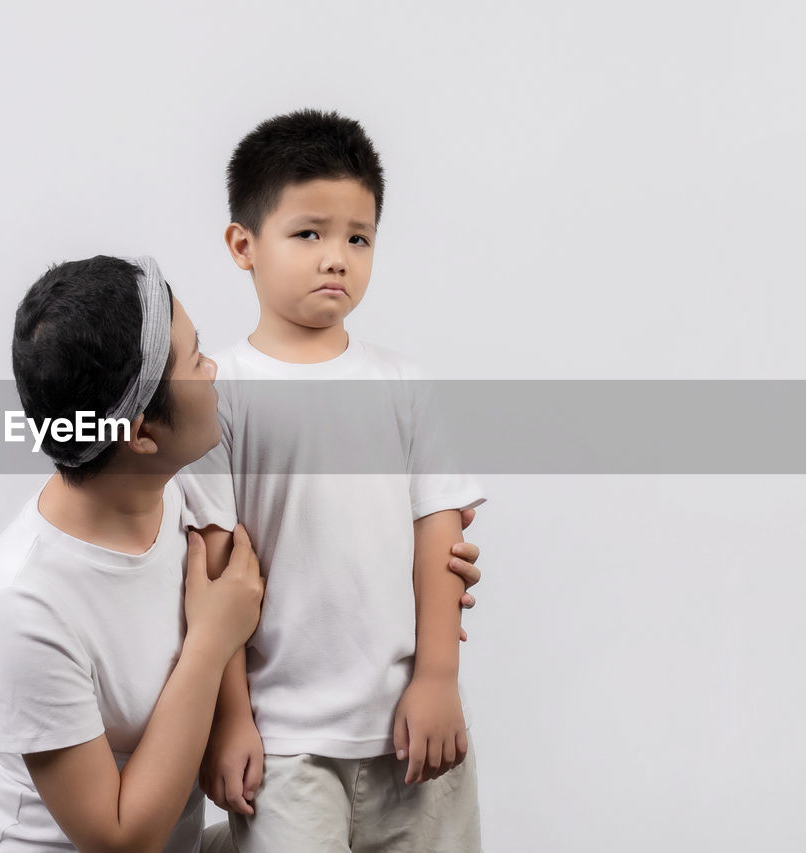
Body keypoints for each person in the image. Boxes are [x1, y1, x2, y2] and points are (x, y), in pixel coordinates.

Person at [0, 255, 485, 852]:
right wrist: (211, 641)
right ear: (139, 434)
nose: (215, 372)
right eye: (195, 360)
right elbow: (120, 839)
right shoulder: (25, 604)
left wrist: (410, 564)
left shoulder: (178, 502)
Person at [175, 109, 487, 851]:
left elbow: (439, 531)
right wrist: (232, 717)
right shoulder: (218, 391)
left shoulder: (402, 382)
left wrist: (438, 677)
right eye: (308, 233)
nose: (336, 257)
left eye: (358, 237)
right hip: (284, 743)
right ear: (243, 245)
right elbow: (212, 565)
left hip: (412, 730)